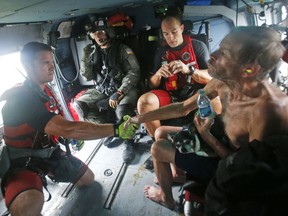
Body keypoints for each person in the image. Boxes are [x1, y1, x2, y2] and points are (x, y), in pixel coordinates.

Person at [125, 26, 288, 210]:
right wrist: (139, 118)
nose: (212, 56)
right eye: (219, 47)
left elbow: (242, 173)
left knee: (157, 148)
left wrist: (207, 135)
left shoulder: (266, 113)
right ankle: (177, 174)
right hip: (221, 140)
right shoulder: (223, 81)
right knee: (161, 131)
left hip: (225, 164)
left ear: (249, 70)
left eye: (224, 53)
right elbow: (183, 108)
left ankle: (166, 199)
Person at [0, 42, 138, 216]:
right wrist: (116, 130)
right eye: (45, 63)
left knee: (88, 179)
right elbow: (70, 128)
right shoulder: (22, 100)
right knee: (28, 207)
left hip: (49, 153)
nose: (51, 67)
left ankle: (49, 172)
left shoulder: (44, 90)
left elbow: (58, 124)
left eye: (52, 62)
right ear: (28, 66)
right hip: (23, 162)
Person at [136, 9, 221, 169]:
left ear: (181, 28)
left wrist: (189, 70)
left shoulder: (198, 46)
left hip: (195, 92)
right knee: (144, 102)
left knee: (215, 97)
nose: (170, 37)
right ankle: (162, 148)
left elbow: (212, 79)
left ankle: (212, 142)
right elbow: (151, 84)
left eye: (174, 32)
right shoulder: (162, 51)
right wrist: (158, 74)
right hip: (170, 94)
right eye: (166, 34)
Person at [75, 18, 141, 161]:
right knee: (80, 106)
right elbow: (87, 76)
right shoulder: (91, 52)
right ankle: (114, 131)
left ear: (107, 31)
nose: (98, 36)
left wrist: (119, 92)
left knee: (121, 110)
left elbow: (134, 72)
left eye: (100, 31)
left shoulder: (122, 49)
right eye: (94, 33)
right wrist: (85, 57)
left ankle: (130, 141)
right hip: (102, 88)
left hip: (125, 88)